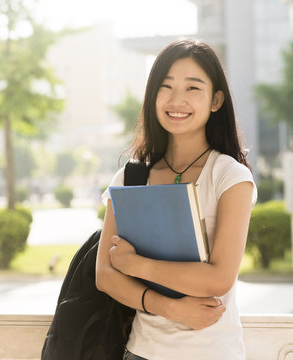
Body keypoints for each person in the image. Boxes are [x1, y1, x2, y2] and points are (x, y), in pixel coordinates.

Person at [96, 39, 257, 359]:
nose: (177, 100)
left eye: (193, 88)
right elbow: (105, 275)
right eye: (165, 87)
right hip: (141, 353)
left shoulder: (229, 176)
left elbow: (219, 278)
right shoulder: (130, 178)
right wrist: (171, 307)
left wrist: (135, 264)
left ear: (216, 100)